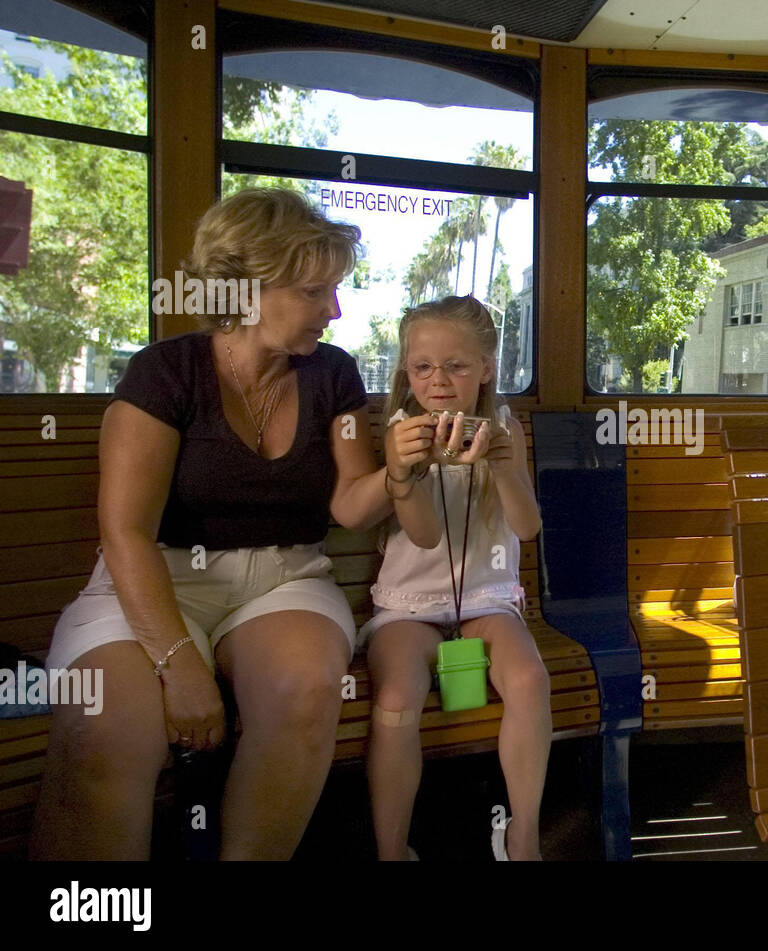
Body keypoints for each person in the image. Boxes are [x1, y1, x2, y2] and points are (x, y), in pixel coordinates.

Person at [30, 188, 392, 860]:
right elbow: (126, 531)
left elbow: (348, 505)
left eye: (335, 290)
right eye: (316, 291)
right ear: (247, 289)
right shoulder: (164, 374)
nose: (333, 311)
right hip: (155, 576)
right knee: (110, 725)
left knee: (307, 689)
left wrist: (403, 471)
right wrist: (180, 665)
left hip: (282, 578)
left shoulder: (334, 374)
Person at [364, 296, 548, 861]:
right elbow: (421, 536)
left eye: (457, 366)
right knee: (396, 698)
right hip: (410, 601)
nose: (438, 380)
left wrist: (501, 463)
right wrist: (401, 472)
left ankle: (524, 833)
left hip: (486, 599)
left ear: (487, 368)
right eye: (422, 367)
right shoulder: (402, 431)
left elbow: (527, 526)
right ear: (406, 372)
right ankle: (392, 847)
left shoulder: (504, 428)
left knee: (529, 681)